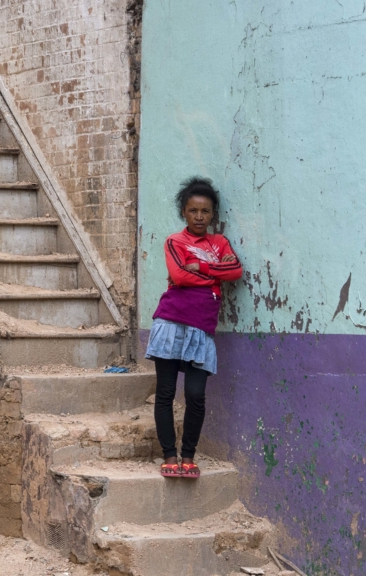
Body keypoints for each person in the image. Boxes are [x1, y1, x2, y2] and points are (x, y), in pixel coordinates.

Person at [145, 177, 242, 478]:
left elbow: (236, 270)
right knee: (165, 392)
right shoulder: (175, 241)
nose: (199, 216)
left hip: (201, 329)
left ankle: (188, 456)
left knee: (196, 395)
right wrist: (214, 277)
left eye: (205, 211)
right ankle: (169, 455)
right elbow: (179, 276)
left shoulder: (220, 243)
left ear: (213, 214)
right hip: (171, 322)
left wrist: (201, 267)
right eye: (193, 210)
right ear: (184, 212)